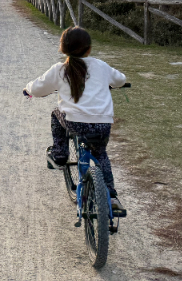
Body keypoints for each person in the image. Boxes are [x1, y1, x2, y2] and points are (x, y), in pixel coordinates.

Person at [24, 26, 127, 198]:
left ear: (63, 48)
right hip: (103, 123)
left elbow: (38, 87)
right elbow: (121, 80)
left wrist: (28, 90)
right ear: (89, 49)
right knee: (100, 153)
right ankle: (110, 195)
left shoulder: (59, 69)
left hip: (75, 123)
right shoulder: (101, 66)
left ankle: (59, 154)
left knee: (56, 115)